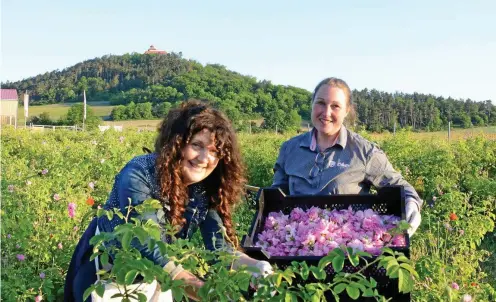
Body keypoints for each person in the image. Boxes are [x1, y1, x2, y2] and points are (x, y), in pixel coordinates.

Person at [65, 100, 272, 301]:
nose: (203, 158)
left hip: (156, 277)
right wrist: (206, 293)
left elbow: (220, 250)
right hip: (108, 276)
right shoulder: (140, 173)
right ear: (176, 143)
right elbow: (146, 244)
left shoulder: (204, 188)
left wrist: (257, 268)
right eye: (197, 145)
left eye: (214, 151)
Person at [271, 77, 422, 236]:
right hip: (297, 245)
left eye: (335, 106)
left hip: (347, 249)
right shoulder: (290, 149)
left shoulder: (364, 152)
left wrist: (411, 203)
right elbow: (277, 194)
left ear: (346, 111)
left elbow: (401, 186)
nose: (326, 112)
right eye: (321, 103)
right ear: (312, 104)